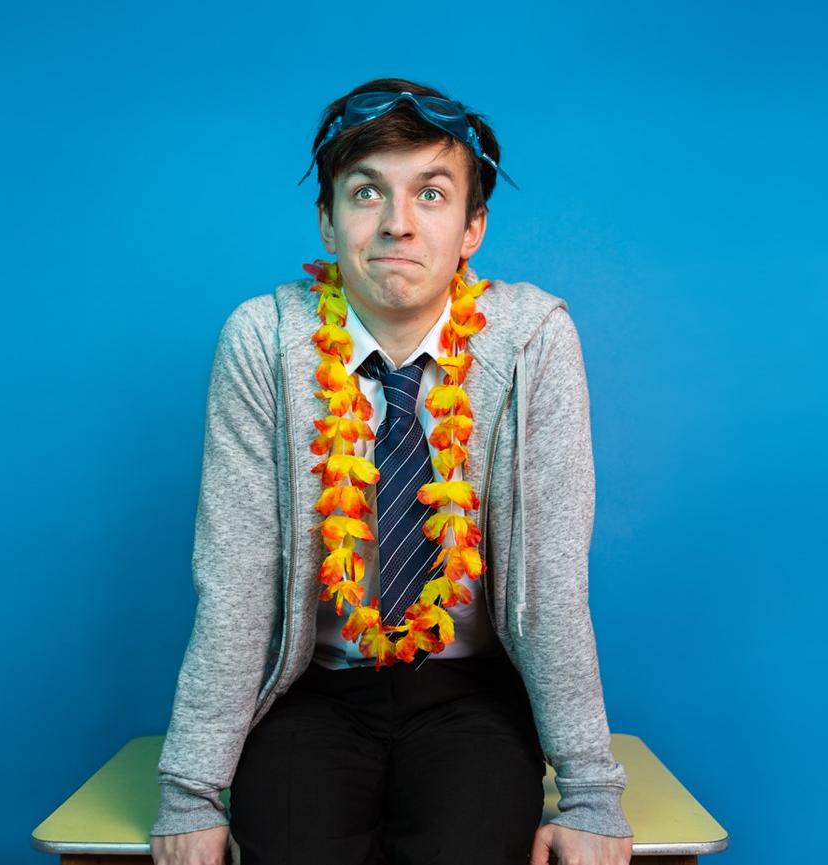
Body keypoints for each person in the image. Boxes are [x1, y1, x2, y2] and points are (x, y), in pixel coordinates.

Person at [150, 78, 634, 865]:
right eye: (367, 191)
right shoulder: (264, 341)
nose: (398, 223)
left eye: (432, 194)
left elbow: (549, 583)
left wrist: (589, 791)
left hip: (469, 694)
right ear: (328, 218)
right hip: (316, 691)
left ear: (473, 226)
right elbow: (235, 581)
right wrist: (190, 790)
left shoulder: (530, 339)